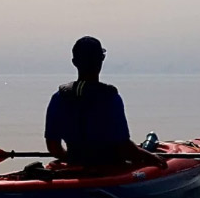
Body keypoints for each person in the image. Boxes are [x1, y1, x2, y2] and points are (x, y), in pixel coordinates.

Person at [44, 36, 165, 172]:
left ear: (74, 62)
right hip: (109, 169)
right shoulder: (110, 98)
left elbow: (53, 147)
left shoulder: (58, 97)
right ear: (101, 59)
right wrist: (152, 158)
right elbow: (124, 147)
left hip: (75, 162)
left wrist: (71, 159)